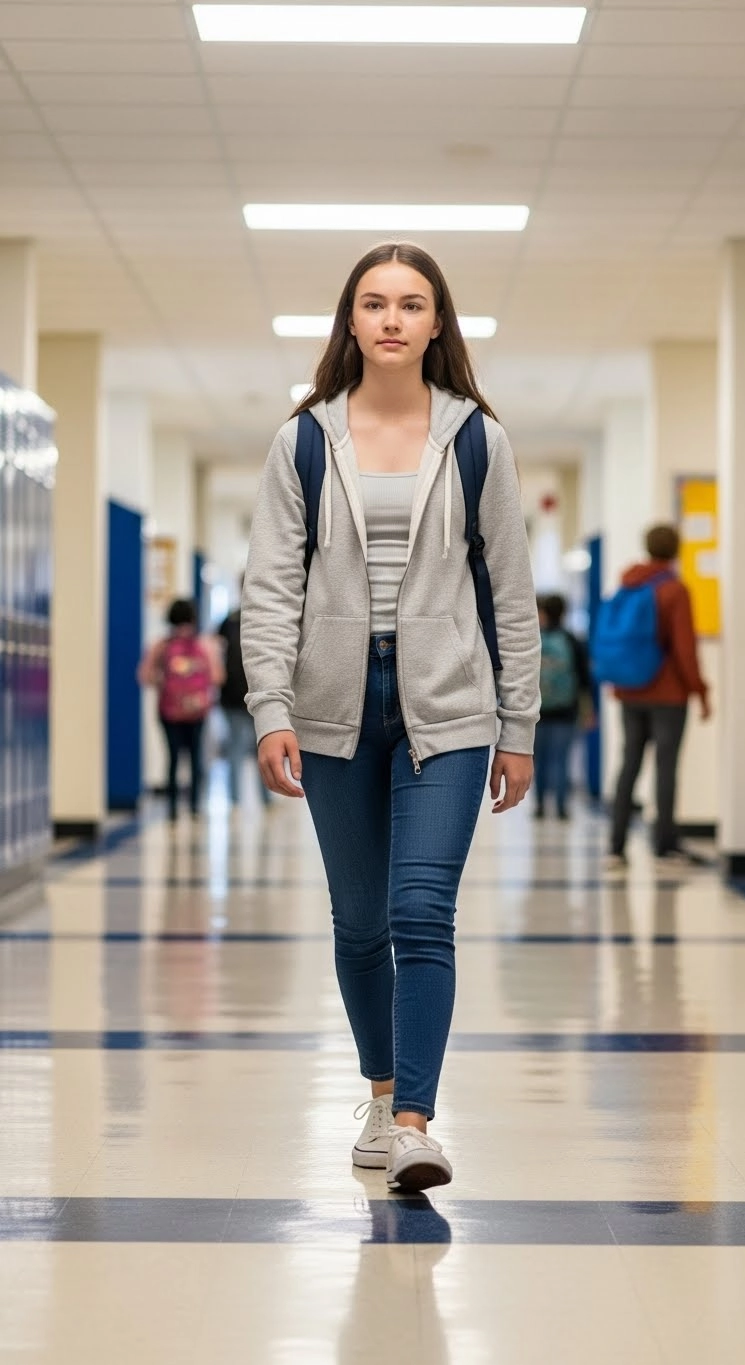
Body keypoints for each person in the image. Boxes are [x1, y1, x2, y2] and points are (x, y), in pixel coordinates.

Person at [241, 241, 540, 1192]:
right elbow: (270, 589)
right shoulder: (303, 441)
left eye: (413, 304)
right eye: (375, 303)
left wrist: (520, 726)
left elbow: (514, 597)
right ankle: (378, 1094)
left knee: (421, 912)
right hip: (335, 707)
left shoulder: (478, 439)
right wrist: (268, 708)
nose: (393, 320)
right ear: (351, 322)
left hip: (448, 708)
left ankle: (415, 1121)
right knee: (361, 922)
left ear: (437, 323)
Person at [606, 524, 711, 868]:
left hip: (631, 690)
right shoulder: (674, 590)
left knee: (629, 766)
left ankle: (616, 847)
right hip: (667, 694)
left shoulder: (628, 583)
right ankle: (665, 845)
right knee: (666, 768)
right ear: (676, 550)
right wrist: (700, 690)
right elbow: (684, 649)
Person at [138, 598, 224, 821]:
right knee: (196, 757)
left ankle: (173, 808)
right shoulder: (204, 645)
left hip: (169, 712)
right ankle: (195, 806)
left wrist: (164, 681)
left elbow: (144, 676)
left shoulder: (162, 645)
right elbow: (217, 677)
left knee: (173, 758)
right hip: (197, 712)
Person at [533, 593, 593, 820]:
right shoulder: (572, 640)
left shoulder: (534, 639)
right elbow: (584, 679)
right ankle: (561, 807)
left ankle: (539, 806)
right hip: (567, 711)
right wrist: (588, 710)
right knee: (561, 759)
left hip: (538, 711)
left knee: (539, 759)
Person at [217, 580, 273, 808]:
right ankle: (237, 798)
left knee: (256, 747)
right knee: (245, 747)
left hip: (258, 694)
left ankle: (259, 797)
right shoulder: (231, 621)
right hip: (237, 696)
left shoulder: (231, 621)